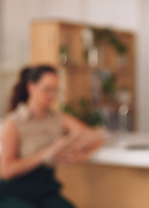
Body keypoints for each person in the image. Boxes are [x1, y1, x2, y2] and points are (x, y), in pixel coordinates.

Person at [0, 65, 104, 208]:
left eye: (56, 90)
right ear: (31, 87)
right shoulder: (14, 122)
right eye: (47, 89)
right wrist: (47, 153)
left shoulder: (58, 119)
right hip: (15, 191)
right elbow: (7, 171)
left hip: (45, 189)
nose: (52, 95)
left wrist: (81, 156)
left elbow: (94, 137)